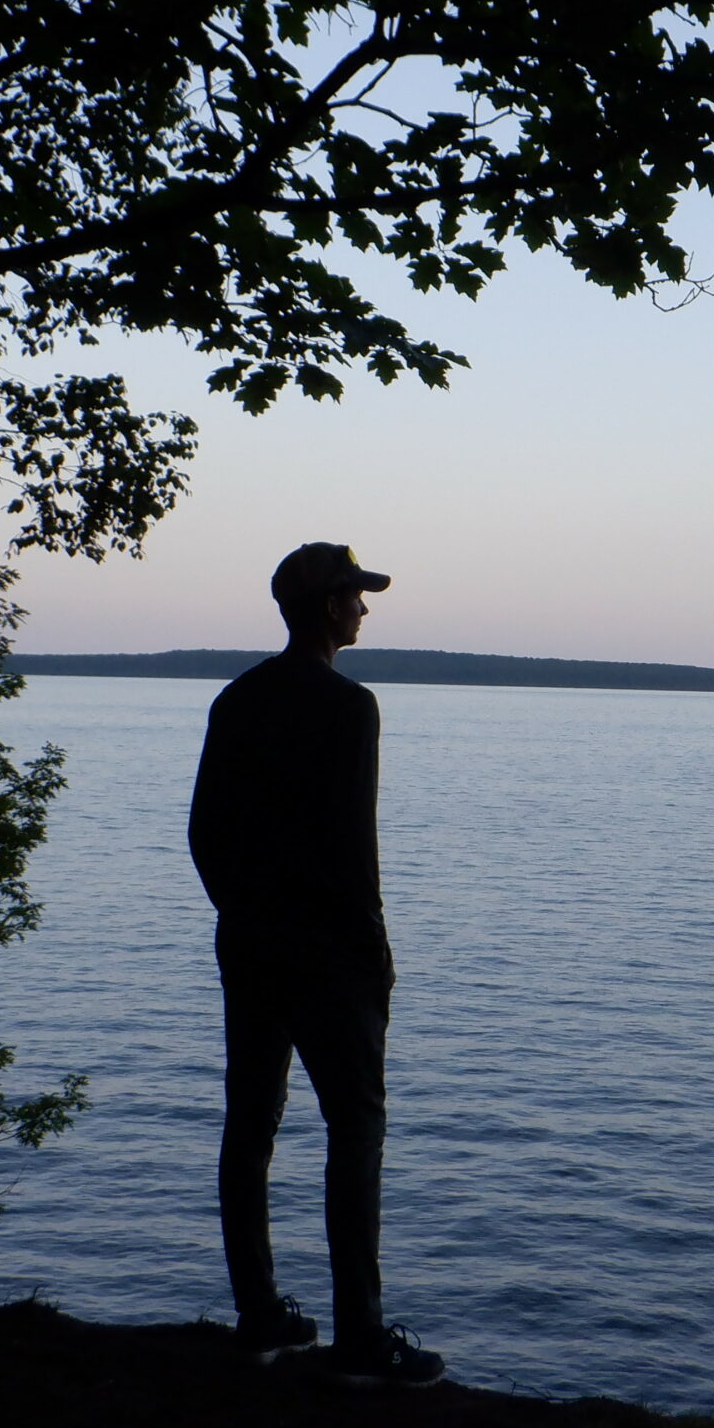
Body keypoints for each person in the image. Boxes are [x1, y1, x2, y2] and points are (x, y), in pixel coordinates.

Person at [187, 541, 444, 1383]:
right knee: (356, 1131)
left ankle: (257, 1312)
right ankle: (361, 1338)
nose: (365, 610)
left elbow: (204, 834)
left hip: (252, 945)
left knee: (249, 1127)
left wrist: (242, 916)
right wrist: (371, 945)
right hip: (332, 953)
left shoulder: (238, 700)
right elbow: (349, 843)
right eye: (357, 597)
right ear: (329, 607)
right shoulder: (349, 706)